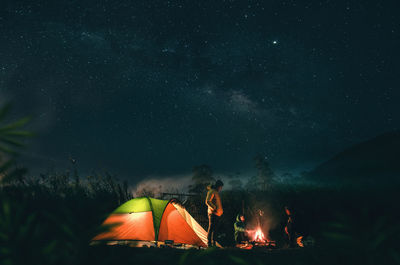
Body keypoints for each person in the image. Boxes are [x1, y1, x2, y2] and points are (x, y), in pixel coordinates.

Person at [205, 180, 224, 247]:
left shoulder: (216, 192)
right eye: (221, 187)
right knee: (211, 228)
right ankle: (209, 243)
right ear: (218, 186)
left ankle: (214, 243)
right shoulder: (212, 191)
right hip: (213, 213)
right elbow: (207, 201)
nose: (221, 189)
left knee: (215, 229)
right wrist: (214, 208)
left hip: (217, 214)